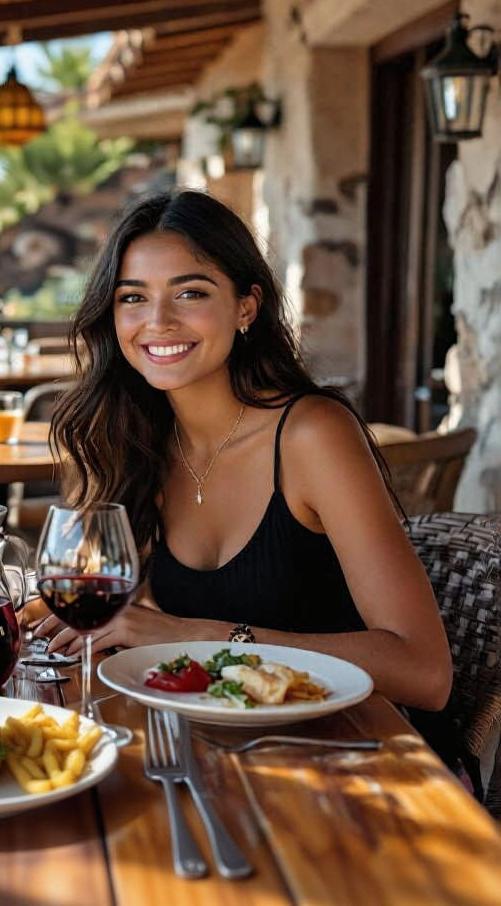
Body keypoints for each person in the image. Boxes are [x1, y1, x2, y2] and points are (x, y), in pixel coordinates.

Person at [40, 189, 453, 719]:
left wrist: (200, 637)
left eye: (190, 293)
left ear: (246, 307)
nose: (158, 321)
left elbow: (425, 673)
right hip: (222, 741)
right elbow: (142, 621)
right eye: (133, 297)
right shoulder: (138, 439)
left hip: (359, 749)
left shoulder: (312, 435)